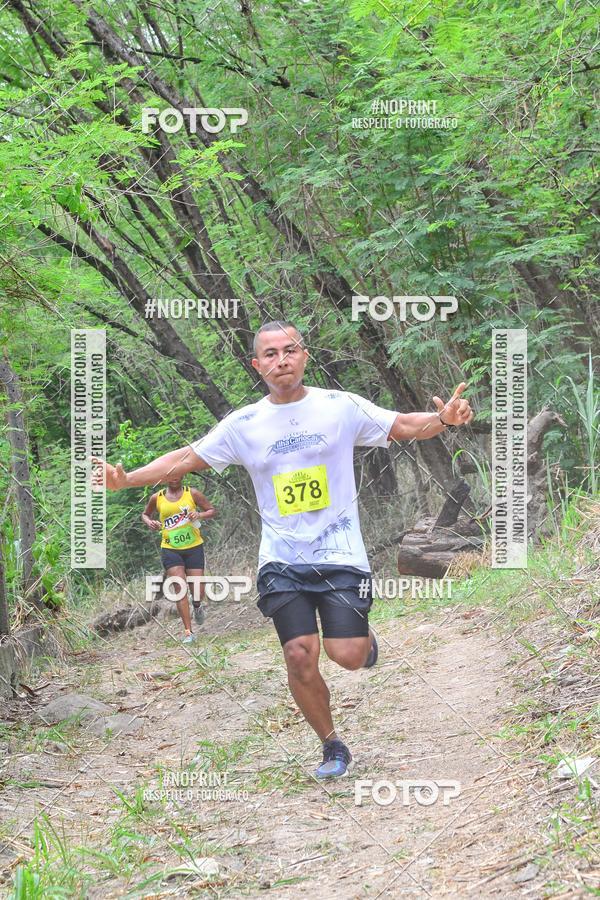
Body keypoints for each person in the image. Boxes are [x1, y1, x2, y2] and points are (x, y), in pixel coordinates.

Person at [99, 320, 473, 776]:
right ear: (258, 366)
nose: (282, 360)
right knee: (298, 653)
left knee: (347, 656)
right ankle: (332, 745)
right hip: (281, 560)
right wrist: (129, 478)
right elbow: (185, 457)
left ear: (304, 356)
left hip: (341, 555)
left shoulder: (339, 406)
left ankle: (363, 642)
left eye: (289, 350)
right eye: (271, 354)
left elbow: (402, 425)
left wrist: (443, 419)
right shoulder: (245, 424)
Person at [142, 477, 216, 644]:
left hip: (194, 547)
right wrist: (150, 522)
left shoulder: (192, 493)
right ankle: (188, 633)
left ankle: (197, 605)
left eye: (178, 474)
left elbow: (211, 510)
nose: (175, 478)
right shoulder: (157, 497)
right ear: (165, 477)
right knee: (179, 588)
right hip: (170, 548)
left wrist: (199, 514)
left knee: (198, 590)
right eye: (171, 475)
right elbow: (145, 514)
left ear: (183, 476)